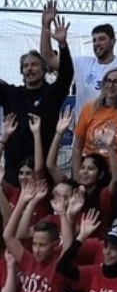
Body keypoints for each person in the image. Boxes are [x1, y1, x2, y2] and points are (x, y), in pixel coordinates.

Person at [39, 1, 117, 120]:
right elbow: (48, 58)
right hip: (85, 138)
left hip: (115, 137)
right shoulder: (81, 63)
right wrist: (46, 26)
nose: (96, 43)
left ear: (113, 41)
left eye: (101, 39)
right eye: (94, 40)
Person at [0, 11, 72, 186]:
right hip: (13, 171)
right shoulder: (11, 94)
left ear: (44, 69)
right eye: (25, 66)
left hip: (43, 170)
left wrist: (62, 44)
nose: (29, 69)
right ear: (21, 71)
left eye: (34, 65)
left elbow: (66, 74)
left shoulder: (52, 93)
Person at [72, 66, 117, 181]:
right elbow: (77, 147)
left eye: (116, 82)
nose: (111, 85)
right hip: (90, 172)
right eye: (108, 80)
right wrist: (77, 177)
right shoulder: (89, 108)